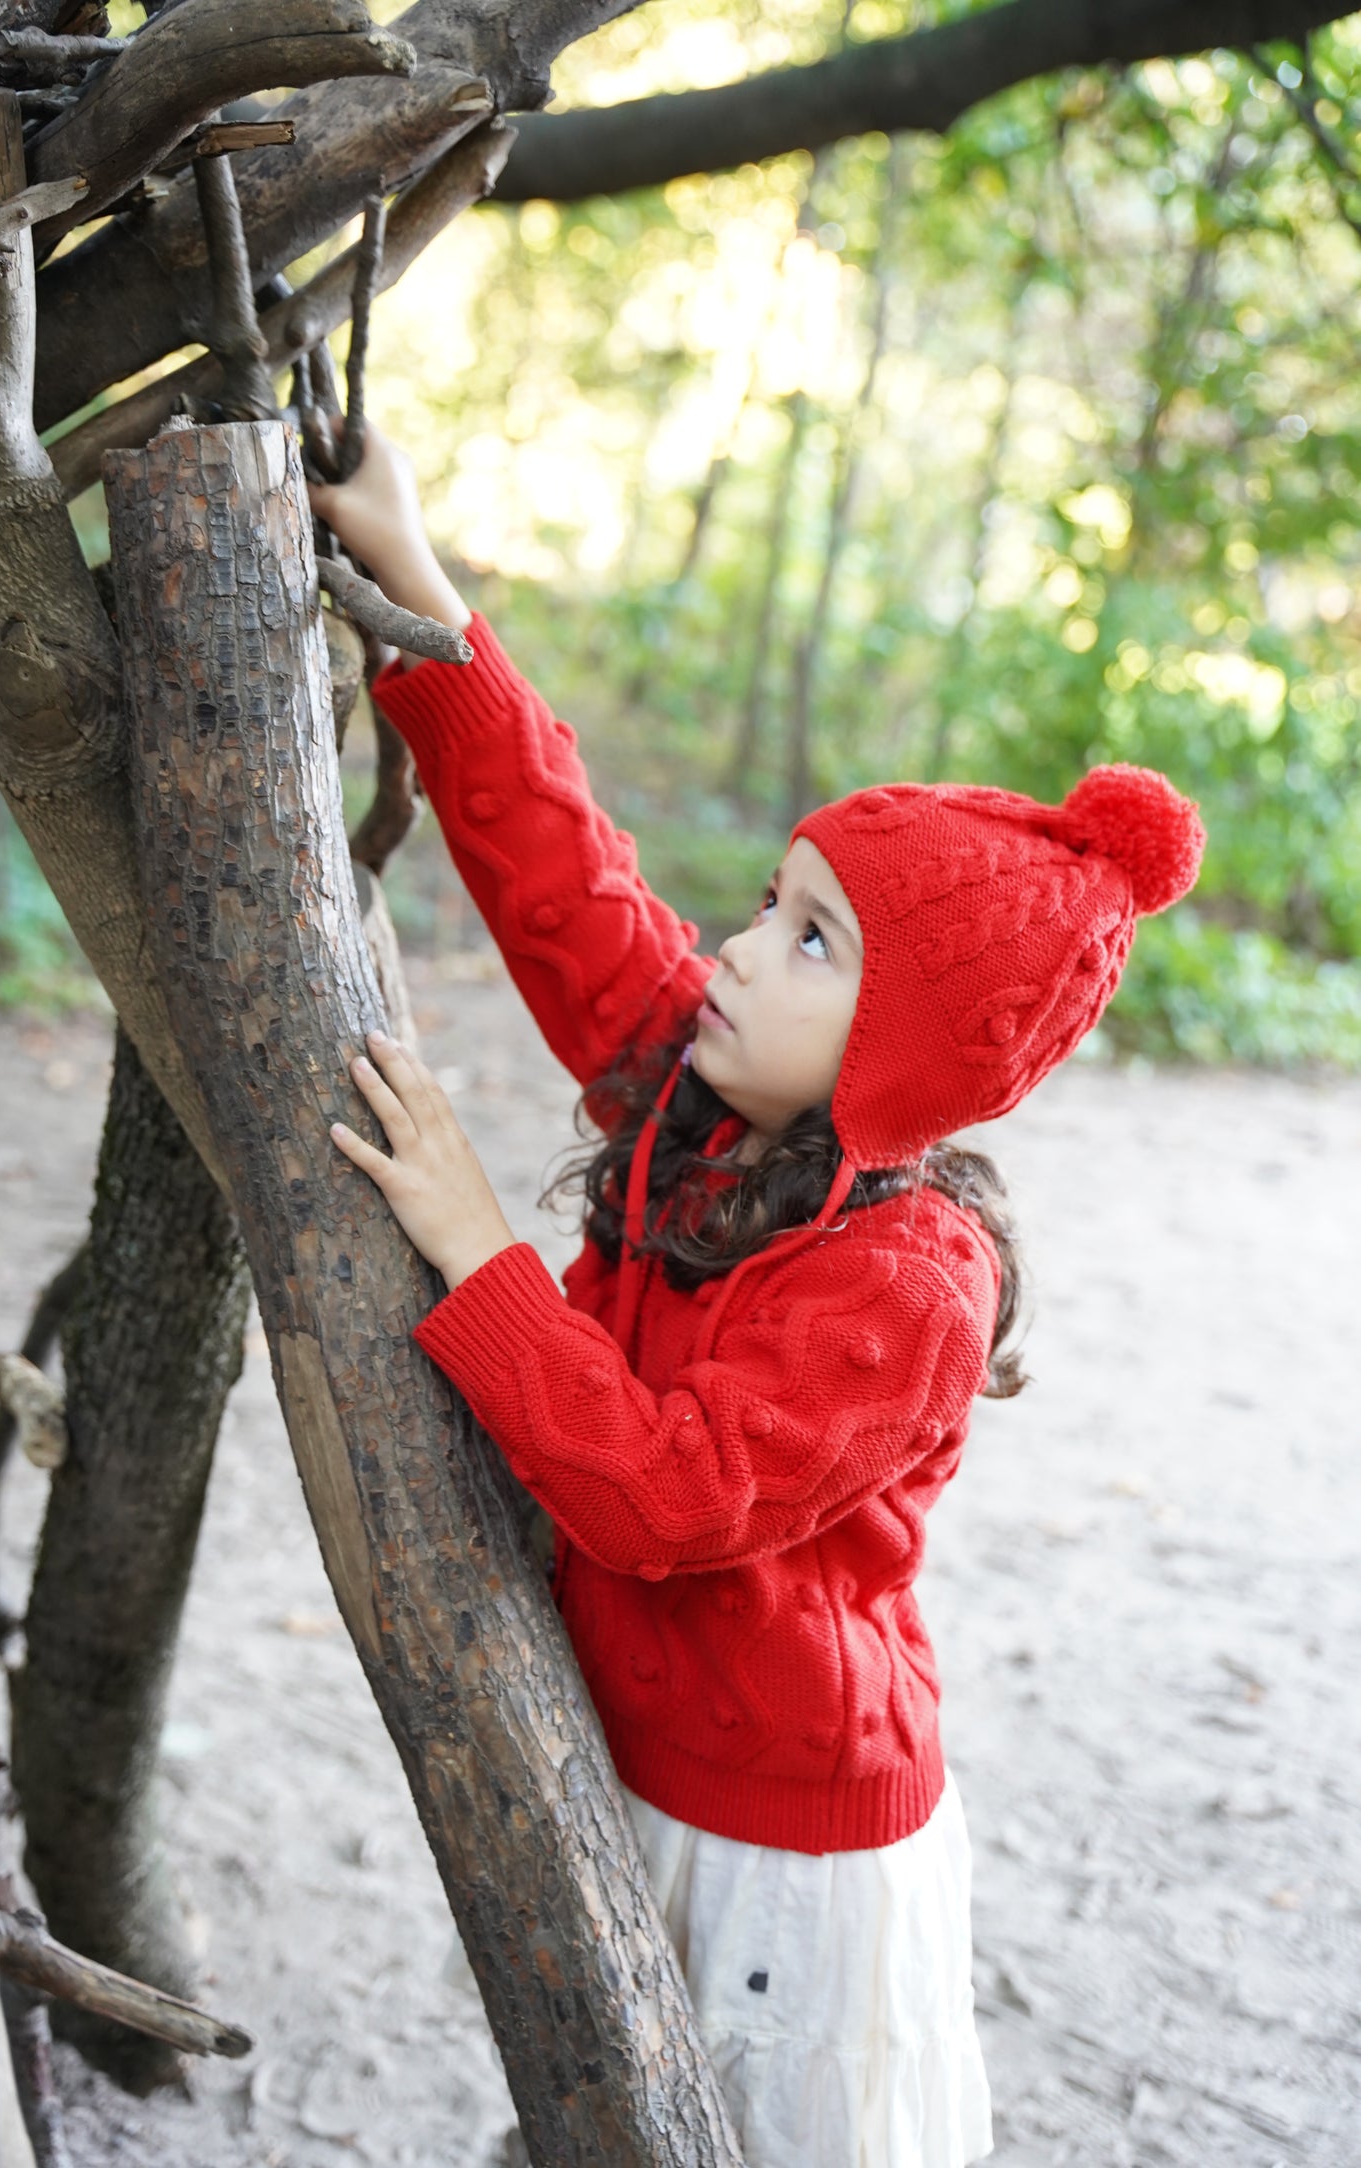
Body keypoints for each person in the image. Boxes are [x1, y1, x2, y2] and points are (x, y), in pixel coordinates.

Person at [310, 431, 1204, 2168]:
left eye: (810, 940)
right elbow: (565, 886)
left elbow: (663, 1495)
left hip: (792, 1853)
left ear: (907, 1050)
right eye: (771, 904)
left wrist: (478, 1246)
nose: (730, 946)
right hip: (638, 1769)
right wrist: (418, 582)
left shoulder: (912, 1279)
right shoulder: (706, 1105)